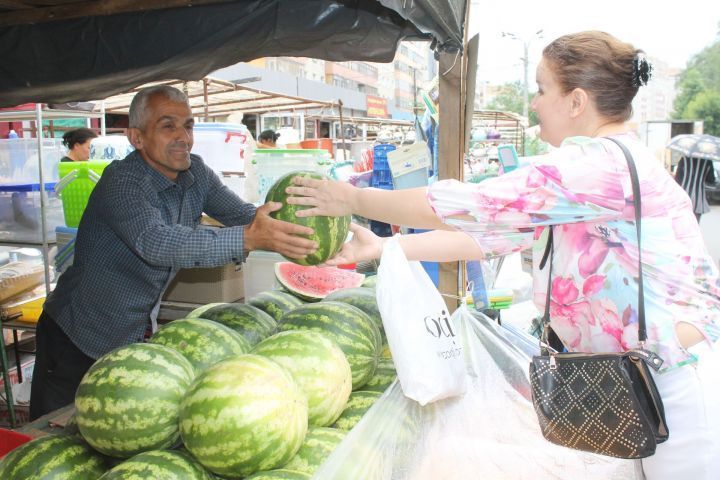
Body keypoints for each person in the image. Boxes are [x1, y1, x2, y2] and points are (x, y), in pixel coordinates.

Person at [286, 31, 720, 479]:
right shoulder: (587, 170)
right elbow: (491, 235)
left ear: (576, 102)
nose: (534, 103)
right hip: (634, 384)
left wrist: (353, 199)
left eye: (541, 89)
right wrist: (385, 246)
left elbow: (476, 205)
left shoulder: (599, 167)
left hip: (676, 387)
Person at [29, 86, 317, 420]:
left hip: (131, 335)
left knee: (109, 432)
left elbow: (243, 215)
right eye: (168, 126)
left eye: (189, 125)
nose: (184, 137)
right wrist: (249, 239)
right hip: (78, 336)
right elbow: (157, 242)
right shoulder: (122, 182)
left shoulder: (196, 174)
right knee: (53, 436)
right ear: (136, 137)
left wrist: (300, 223)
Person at [674, 155, 716, 223]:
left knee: (682, 223)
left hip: (684, 196)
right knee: (695, 225)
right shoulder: (707, 161)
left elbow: (678, 178)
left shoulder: (684, 159)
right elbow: (711, 179)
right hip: (698, 197)